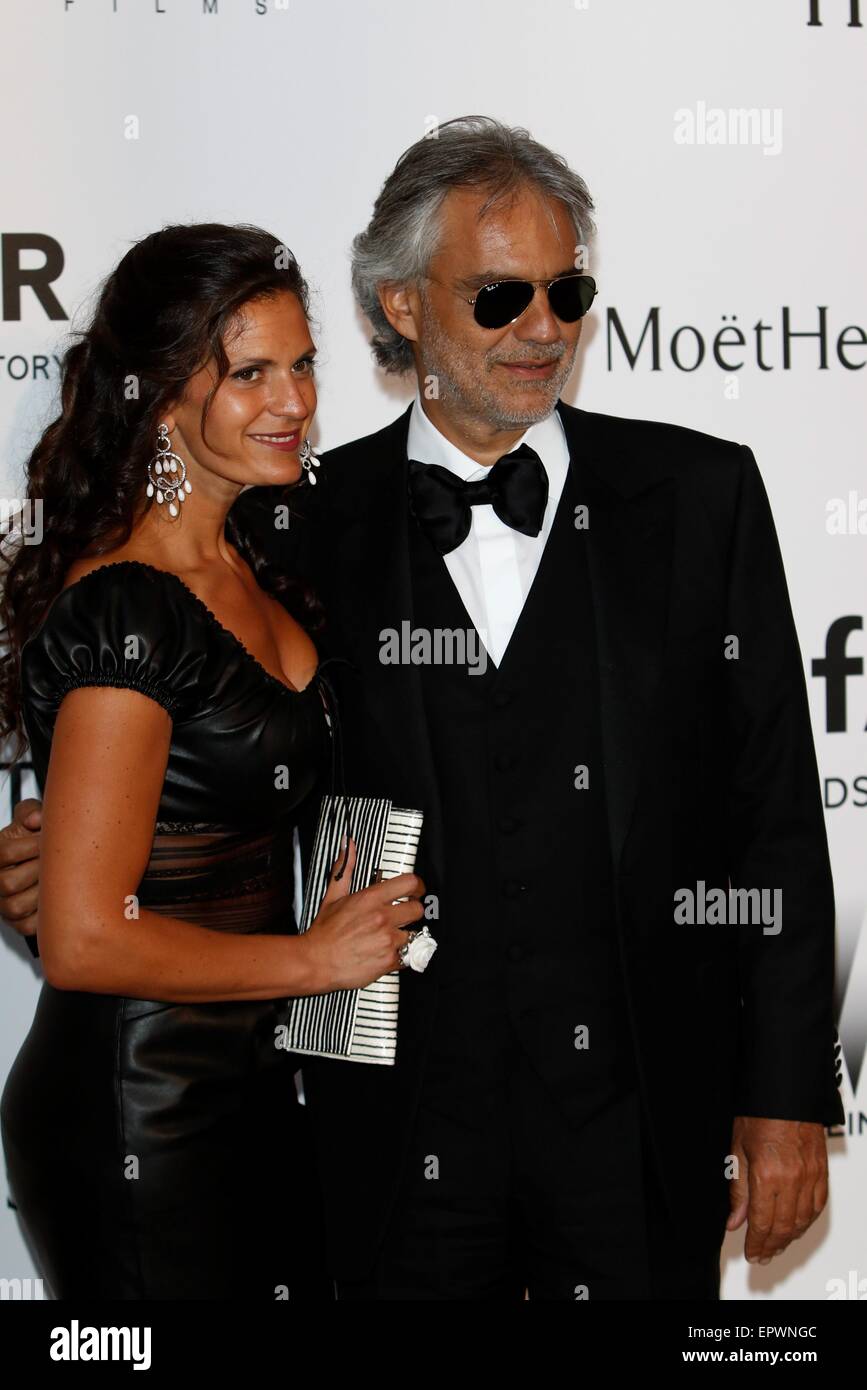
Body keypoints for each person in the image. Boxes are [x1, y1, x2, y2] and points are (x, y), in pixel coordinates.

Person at [1, 116, 844, 1301]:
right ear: (401, 306)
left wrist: (788, 1093)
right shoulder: (293, 522)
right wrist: (62, 860)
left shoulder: (699, 497)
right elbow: (200, 761)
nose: (542, 327)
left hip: (641, 1127)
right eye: (500, 296)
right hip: (385, 1134)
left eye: (568, 290)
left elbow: (776, 819)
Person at [0, 223, 425, 1300]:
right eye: (249, 373)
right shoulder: (129, 608)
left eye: (303, 364)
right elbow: (86, 939)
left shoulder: (258, 560)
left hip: (258, 1083)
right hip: (139, 1103)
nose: (292, 401)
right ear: (160, 397)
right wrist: (313, 961)